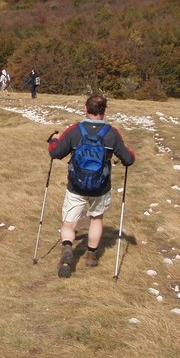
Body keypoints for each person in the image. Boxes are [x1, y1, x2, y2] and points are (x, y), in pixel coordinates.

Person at [47, 94, 136, 278]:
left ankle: (67, 250)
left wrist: (54, 139)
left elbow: (55, 153)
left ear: (85, 109)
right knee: (96, 218)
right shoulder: (112, 133)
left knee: (69, 223)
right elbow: (128, 159)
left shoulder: (74, 131)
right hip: (101, 187)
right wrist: (131, 153)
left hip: (76, 186)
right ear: (105, 111)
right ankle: (91, 256)